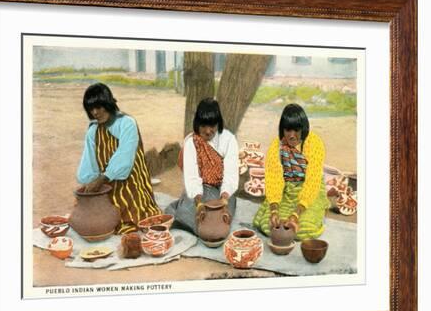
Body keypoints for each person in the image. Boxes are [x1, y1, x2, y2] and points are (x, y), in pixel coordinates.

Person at [76, 82, 161, 234]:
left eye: (99, 107)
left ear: (108, 104)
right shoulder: (93, 130)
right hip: (106, 184)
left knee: (129, 218)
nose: (95, 112)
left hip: (131, 181)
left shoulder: (127, 123)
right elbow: (89, 161)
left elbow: (125, 157)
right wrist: (90, 183)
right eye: (91, 108)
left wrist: (102, 179)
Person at [253, 103, 330, 240]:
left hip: (310, 189)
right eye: (288, 130)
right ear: (282, 130)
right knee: (267, 224)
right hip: (286, 189)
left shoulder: (314, 143)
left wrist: (296, 214)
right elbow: (274, 179)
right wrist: (274, 210)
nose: (292, 136)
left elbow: (312, 181)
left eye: (296, 130)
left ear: (304, 129)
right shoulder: (276, 146)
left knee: (305, 228)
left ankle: (318, 212)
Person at [165, 98, 239, 234]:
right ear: (197, 124)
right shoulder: (192, 142)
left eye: (212, 125)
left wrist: (223, 200)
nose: (208, 131)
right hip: (200, 189)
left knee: (220, 218)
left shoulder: (229, 140)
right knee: (193, 214)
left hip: (223, 191)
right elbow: (192, 177)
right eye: (203, 126)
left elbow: (231, 174)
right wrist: (199, 203)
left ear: (219, 123)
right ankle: (189, 218)